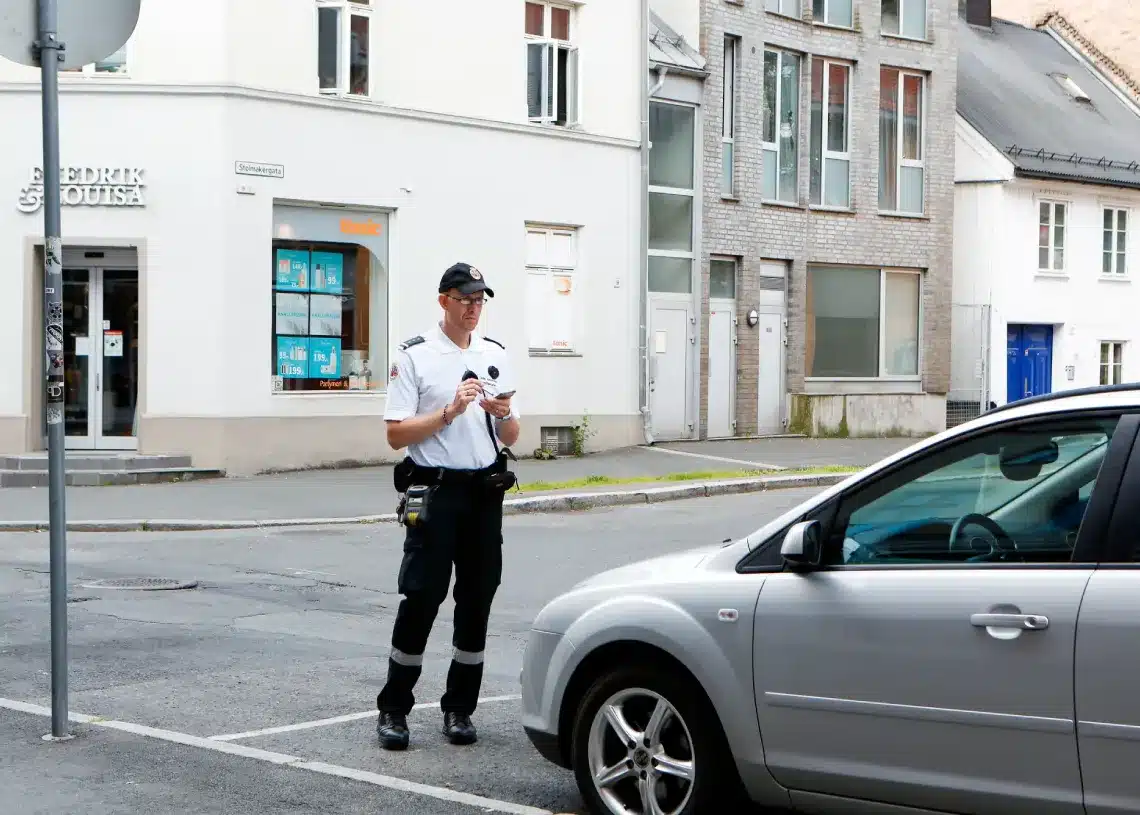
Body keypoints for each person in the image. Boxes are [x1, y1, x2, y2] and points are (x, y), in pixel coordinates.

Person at [375, 261, 521, 750]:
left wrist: (501, 414)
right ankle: (394, 709)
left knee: (477, 600)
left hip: (483, 493)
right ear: (444, 301)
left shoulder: (494, 353)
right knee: (421, 598)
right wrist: (450, 412)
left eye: (480, 301)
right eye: (465, 300)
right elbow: (396, 434)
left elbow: (513, 433)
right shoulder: (415, 354)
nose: (474, 309)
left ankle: (460, 709)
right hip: (436, 493)